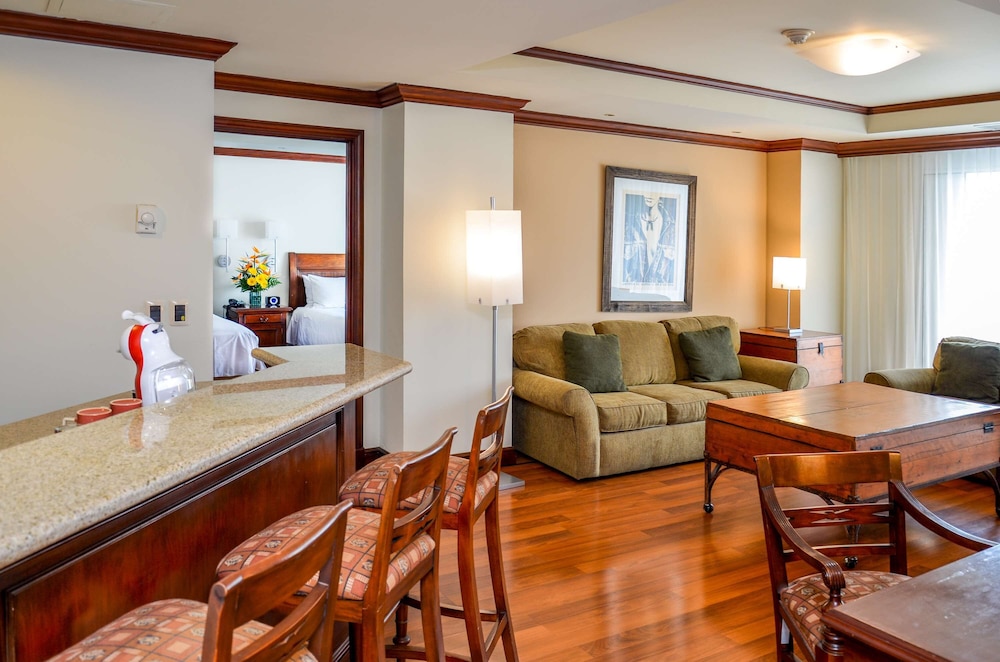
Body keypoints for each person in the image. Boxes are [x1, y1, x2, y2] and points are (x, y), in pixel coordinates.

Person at [622, 192, 676, 285]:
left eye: (654, 192)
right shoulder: (628, 223)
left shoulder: (672, 227)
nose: (649, 195)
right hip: (632, 289)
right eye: (646, 192)